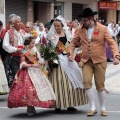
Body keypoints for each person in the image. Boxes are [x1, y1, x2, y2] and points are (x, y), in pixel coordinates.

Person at [68, 8, 120, 116]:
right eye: (82, 20)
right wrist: (70, 53)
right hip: (86, 60)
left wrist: (116, 55)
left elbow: (112, 43)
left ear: (91, 19)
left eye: (85, 20)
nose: (83, 23)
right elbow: (73, 42)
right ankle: (92, 107)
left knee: (100, 86)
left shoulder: (103, 28)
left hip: (100, 60)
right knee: (87, 83)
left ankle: (103, 107)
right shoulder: (80, 29)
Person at [47, 15, 88, 112]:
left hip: (67, 58)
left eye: (58, 26)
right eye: (55, 26)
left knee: (72, 81)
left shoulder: (67, 34)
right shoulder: (50, 36)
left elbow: (71, 46)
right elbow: (48, 49)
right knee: (58, 83)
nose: (57, 28)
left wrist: (71, 55)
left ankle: (70, 104)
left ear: (62, 26)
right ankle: (58, 105)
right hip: (57, 61)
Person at [8, 36, 56, 116]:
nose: (34, 44)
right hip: (26, 72)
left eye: (34, 43)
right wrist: (33, 66)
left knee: (37, 90)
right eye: (32, 43)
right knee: (29, 90)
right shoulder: (24, 51)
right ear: (27, 44)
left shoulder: (34, 50)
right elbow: (23, 64)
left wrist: (43, 62)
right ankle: (29, 107)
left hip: (36, 71)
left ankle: (32, 106)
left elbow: (38, 60)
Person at [3, 15, 26, 87]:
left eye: (20, 22)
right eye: (17, 22)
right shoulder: (9, 32)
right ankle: (15, 93)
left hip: (23, 57)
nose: (20, 23)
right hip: (13, 57)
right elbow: (5, 45)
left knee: (24, 76)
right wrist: (16, 49)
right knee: (16, 75)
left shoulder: (23, 32)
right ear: (13, 23)